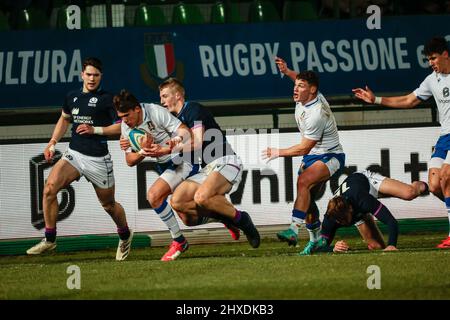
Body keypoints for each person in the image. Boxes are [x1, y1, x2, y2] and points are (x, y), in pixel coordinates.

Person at [26, 57, 133, 261]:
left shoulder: (108, 99)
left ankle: (125, 235)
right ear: (82, 74)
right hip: (74, 154)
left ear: (101, 77)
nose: (92, 79)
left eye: (96, 75)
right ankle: (50, 239)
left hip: (98, 160)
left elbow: (122, 125)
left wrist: (96, 129)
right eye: (89, 74)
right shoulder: (72, 96)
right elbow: (64, 119)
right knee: (49, 189)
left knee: (108, 205)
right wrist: (52, 142)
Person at [352, 36, 450, 249]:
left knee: (446, 176)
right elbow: (409, 100)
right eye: (428, 60)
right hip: (445, 137)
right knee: (434, 186)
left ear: (445, 54)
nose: (431, 63)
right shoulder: (432, 80)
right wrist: (376, 100)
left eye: (433, 58)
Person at [161, 78, 261, 248]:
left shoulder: (193, 109)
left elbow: (198, 143)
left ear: (177, 95)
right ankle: (225, 217)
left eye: (164, 96)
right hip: (207, 168)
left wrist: (168, 149)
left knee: (201, 197)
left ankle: (243, 220)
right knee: (178, 204)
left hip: (226, 161)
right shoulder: (177, 120)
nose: (162, 101)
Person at [263, 58, 345, 255]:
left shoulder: (317, 113)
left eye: (301, 86)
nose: (296, 88)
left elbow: (304, 148)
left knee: (303, 182)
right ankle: (317, 241)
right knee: (306, 198)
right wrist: (288, 71)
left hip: (330, 156)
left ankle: (293, 229)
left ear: (313, 90)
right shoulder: (304, 97)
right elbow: (298, 81)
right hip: (312, 157)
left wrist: (277, 152)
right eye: (296, 85)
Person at [114, 89, 197, 261]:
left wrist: (175, 142)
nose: (124, 121)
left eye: (127, 116)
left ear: (137, 109)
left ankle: (179, 241)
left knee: (154, 196)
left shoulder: (155, 112)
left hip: (182, 159)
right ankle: (229, 218)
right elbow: (130, 160)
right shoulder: (125, 126)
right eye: (121, 117)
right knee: (189, 216)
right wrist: (143, 151)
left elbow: (185, 131)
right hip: (164, 165)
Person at [313, 170, 429, 253]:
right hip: (358, 210)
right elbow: (319, 248)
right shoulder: (331, 217)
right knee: (378, 248)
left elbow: (391, 221)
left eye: (343, 219)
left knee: (409, 193)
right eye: (339, 220)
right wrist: (333, 248)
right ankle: (365, 218)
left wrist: (392, 245)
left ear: (350, 209)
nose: (341, 223)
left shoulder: (363, 200)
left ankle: (421, 186)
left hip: (367, 183)